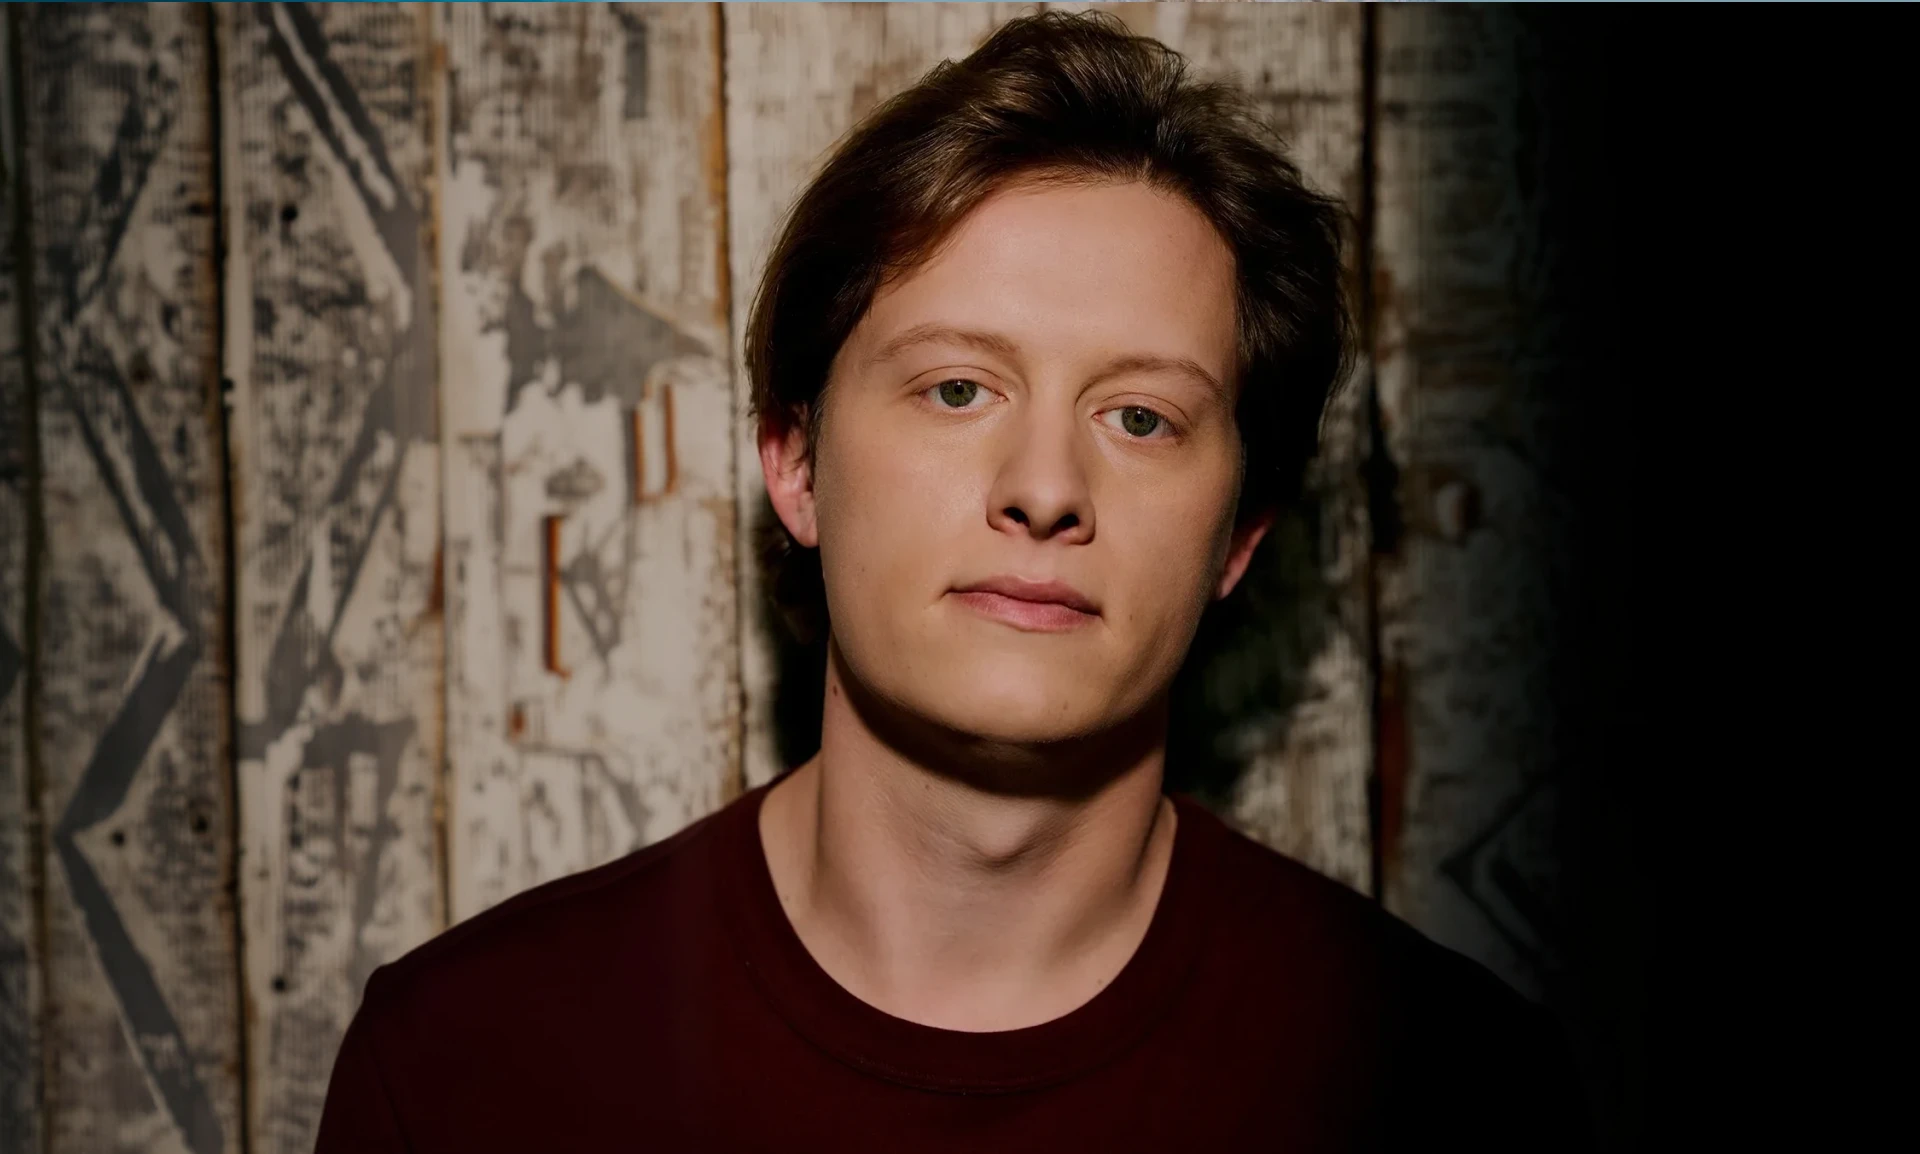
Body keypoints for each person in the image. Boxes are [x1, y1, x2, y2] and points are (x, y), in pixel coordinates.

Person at [315, 12, 1588, 1151]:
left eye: (1141, 416)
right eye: (958, 387)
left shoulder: (1454, 1089)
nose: (1045, 485)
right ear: (798, 463)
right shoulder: (466, 1065)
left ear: (1240, 538)